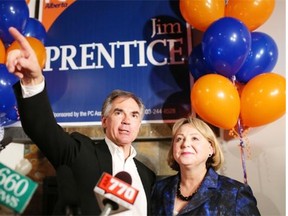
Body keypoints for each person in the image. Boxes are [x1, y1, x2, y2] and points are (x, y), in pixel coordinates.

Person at [6, 27, 156, 215]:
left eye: (134, 115)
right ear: (104, 121)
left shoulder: (147, 175)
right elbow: (42, 128)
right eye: (119, 113)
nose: (127, 121)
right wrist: (32, 81)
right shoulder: (79, 152)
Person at [151, 116, 260, 216]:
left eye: (194, 138)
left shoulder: (235, 192)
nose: (185, 144)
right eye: (179, 139)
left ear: (211, 148)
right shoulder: (159, 189)